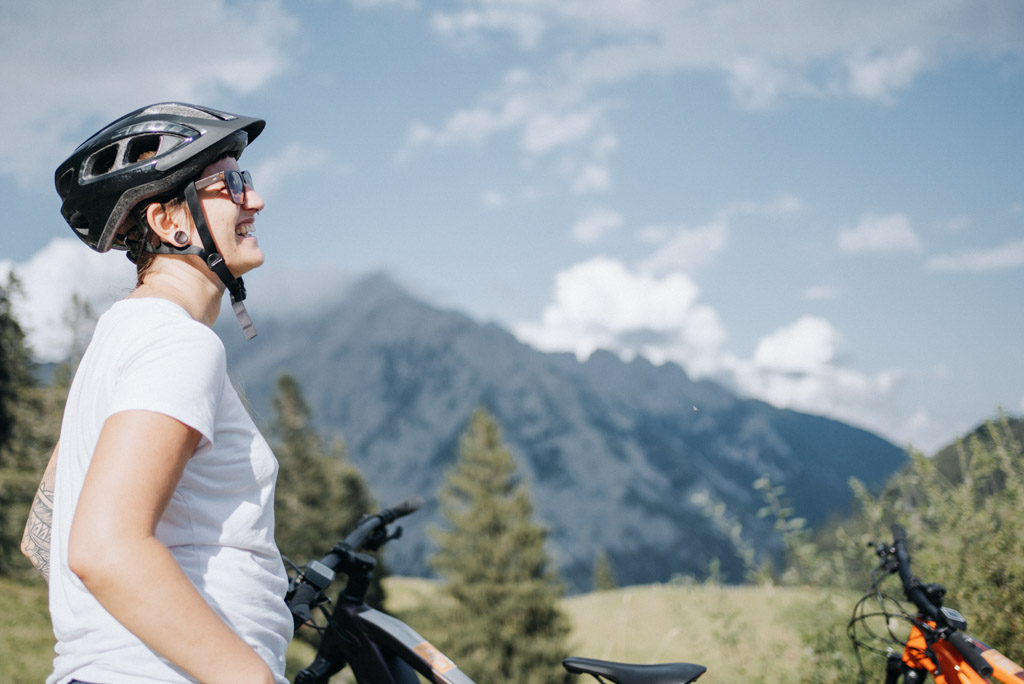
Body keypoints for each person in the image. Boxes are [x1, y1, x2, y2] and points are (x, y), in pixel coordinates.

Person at [21, 103, 292, 684]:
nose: (255, 200)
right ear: (172, 224)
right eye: (233, 183)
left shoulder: (118, 341)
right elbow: (102, 547)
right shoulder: (178, 344)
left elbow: (41, 538)